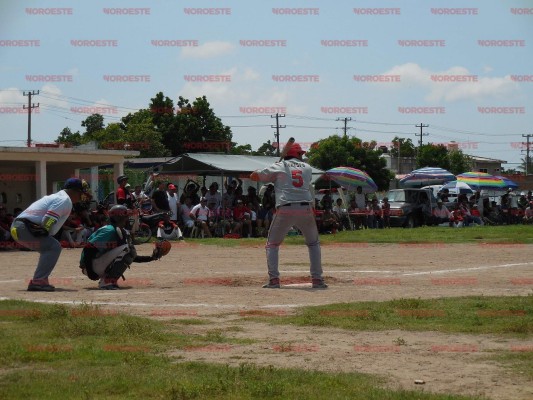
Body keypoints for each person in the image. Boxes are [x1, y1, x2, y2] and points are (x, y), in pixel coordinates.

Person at [250, 141, 326, 289]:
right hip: (305, 208)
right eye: (300, 154)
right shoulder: (308, 168)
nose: (302, 157)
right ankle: (317, 279)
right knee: (313, 243)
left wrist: (269, 170)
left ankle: (274, 280)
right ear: (296, 154)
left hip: (286, 208)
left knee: (272, 244)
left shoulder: (279, 166)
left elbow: (253, 177)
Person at [10, 178, 89, 291]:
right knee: (53, 247)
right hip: (24, 228)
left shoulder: (60, 197)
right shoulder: (64, 200)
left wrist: (46, 232)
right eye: (82, 192)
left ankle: (39, 280)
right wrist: (46, 230)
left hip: (20, 227)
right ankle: (39, 281)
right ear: (74, 191)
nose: (83, 195)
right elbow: (48, 220)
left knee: (50, 246)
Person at [79, 205, 164, 290]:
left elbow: (129, 256)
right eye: (125, 216)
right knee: (129, 249)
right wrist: (90, 272)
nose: (127, 219)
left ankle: (107, 280)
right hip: (89, 265)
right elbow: (88, 248)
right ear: (117, 218)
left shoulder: (121, 231)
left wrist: (151, 258)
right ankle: (106, 282)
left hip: (96, 263)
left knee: (129, 249)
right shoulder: (110, 230)